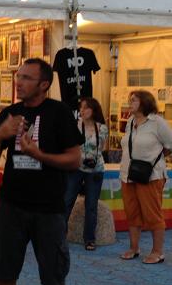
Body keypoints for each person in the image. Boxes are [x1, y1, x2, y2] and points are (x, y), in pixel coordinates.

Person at [0, 58, 83, 285]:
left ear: (44, 85)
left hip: (49, 209)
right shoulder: (10, 113)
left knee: (54, 277)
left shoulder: (59, 113)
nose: (19, 82)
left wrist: (38, 155)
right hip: (12, 206)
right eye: (19, 76)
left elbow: (74, 160)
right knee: (4, 272)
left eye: (27, 78)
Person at [119, 90, 172, 264]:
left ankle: (158, 252)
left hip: (151, 176)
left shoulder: (157, 122)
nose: (130, 102)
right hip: (128, 175)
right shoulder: (130, 121)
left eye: (133, 100)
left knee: (153, 214)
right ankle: (134, 248)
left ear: (145, 102)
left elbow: (170, 144)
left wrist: (154, 159)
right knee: (132, 213)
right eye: (130, 99)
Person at [64, 97, 108, 251]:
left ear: (93, 110)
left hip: (95, 169)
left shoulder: (102, 128)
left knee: (91, 205)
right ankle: (59, 235)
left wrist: (89, 156)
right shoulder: (74, 125)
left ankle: (89, 239)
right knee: (67, 201)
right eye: (81, 107)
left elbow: (102, 148)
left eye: (86, 108)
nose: (82, 110)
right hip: (75, 168)